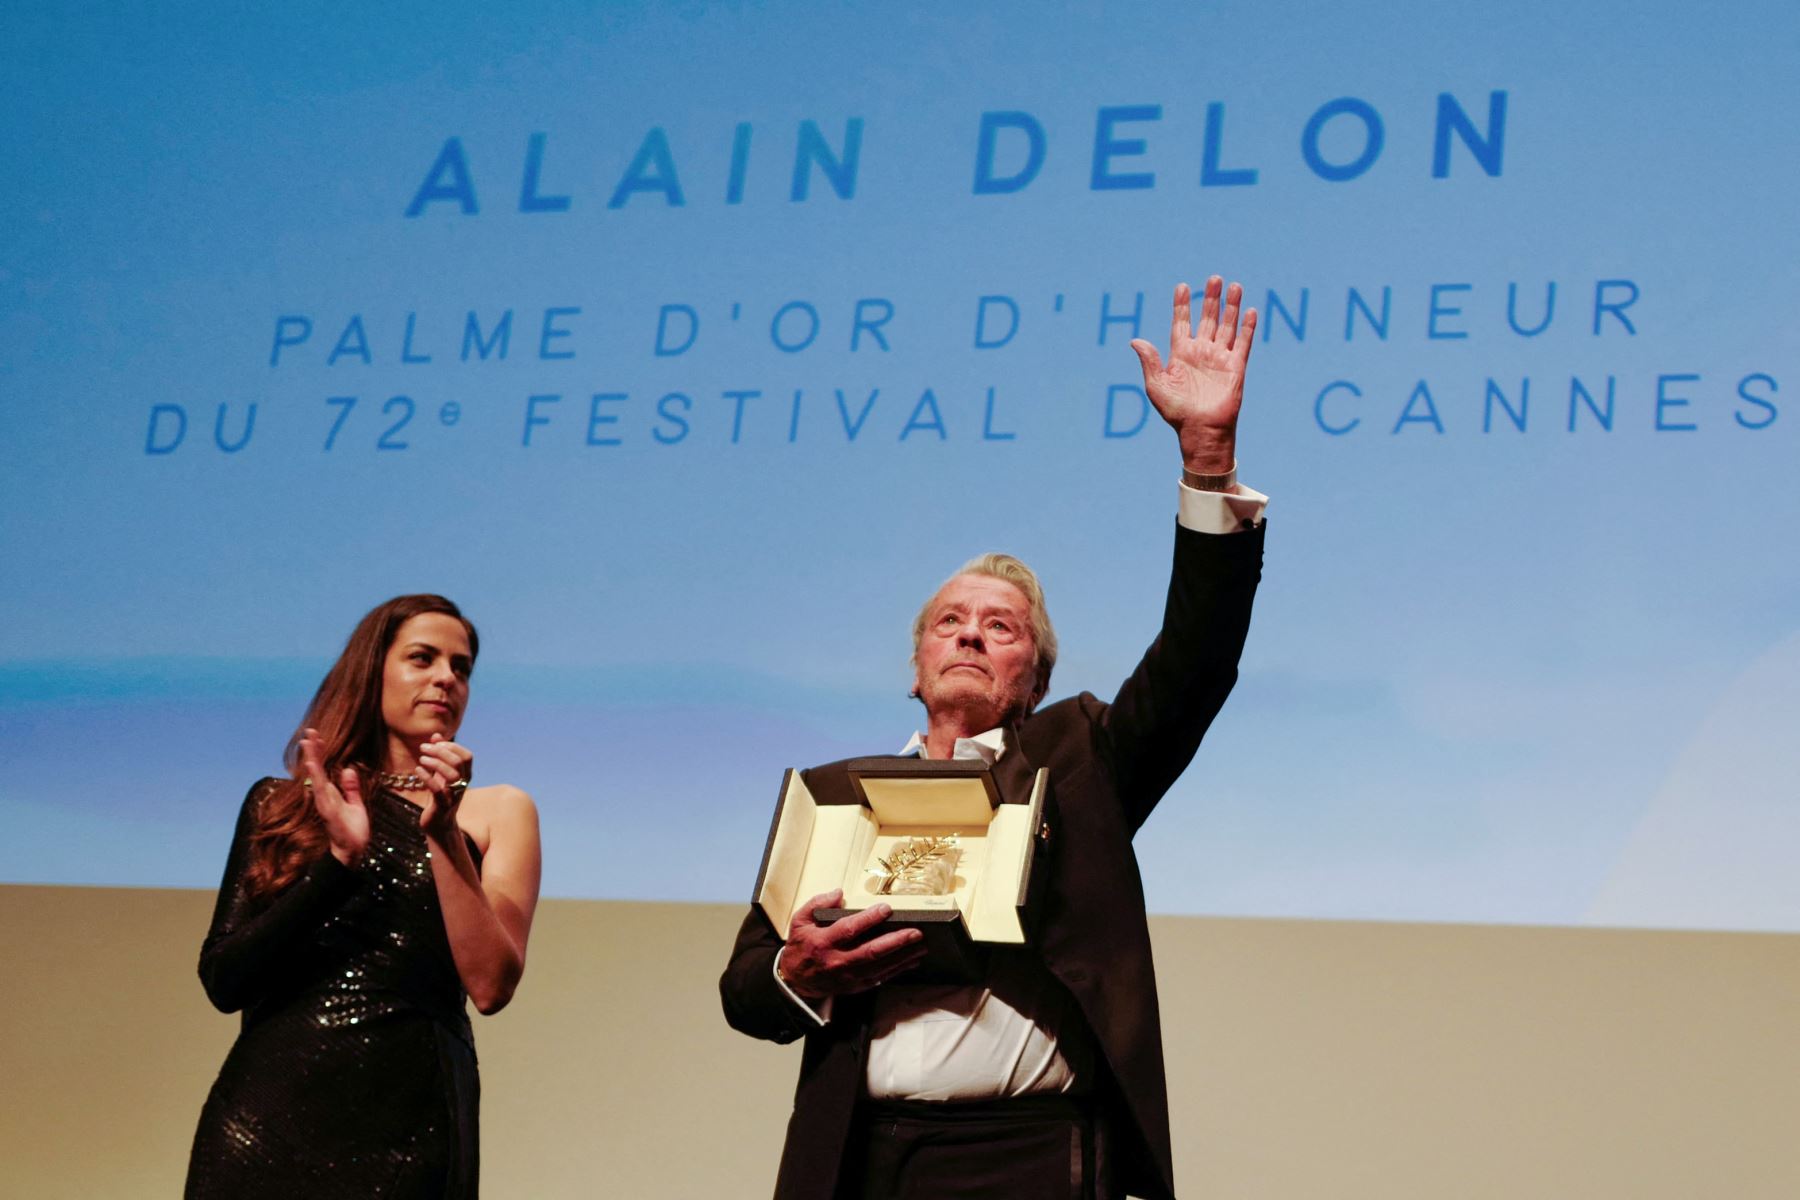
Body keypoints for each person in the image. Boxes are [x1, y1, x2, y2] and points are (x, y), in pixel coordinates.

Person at [721, 277, 1267, 1200]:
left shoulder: (1081, 760)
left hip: (1032, 1158)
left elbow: (1196, 659)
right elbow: (745, 995)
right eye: (950, 622)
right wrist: (796, 967)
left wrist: (1207, 459)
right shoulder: (835, 796)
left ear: (1036, 679)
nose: (971, 634)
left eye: (1001, 627)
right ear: (916, 666)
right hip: (860, 1160)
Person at [185, 594, 541, 1199]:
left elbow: (490, 986)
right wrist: (338, 864)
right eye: (422, 658)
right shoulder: (285, 803)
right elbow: (225, 981)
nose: (445, 679)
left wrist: (442, 832)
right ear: (371, 670)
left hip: (412, 1115)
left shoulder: (498, 811)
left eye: (461, 668)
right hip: (266, 1116)